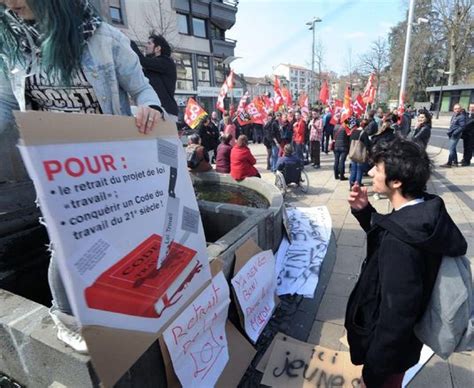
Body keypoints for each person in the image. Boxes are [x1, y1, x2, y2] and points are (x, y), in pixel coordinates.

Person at [0, 0, 165, 353]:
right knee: (63, 242)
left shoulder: (103, 38)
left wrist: (150, 108)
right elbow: (4, 104)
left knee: (117, 237)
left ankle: (113, 303)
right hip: (55, 167)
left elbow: (141, 87)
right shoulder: (9, 47)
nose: (10, 3)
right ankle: (66, 317)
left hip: (108, 164)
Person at [346, 138, 467, 388]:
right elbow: (398, 230)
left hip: (391, 356)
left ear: (397, 181)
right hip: (409, 345)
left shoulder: (400, 244)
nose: (370, 173)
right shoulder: (426, 212)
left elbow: (396, 316)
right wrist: (365, 212)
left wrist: (374, 370)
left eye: (377, 169)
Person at [130, 34, 178, 121]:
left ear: (157, 48)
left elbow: (143, 61)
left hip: (166, 112)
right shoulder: (151, 68)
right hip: (154, 111)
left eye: (149, 43)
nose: (146, 46)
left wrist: (129, 42)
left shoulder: (166, 62)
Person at [349, 119, 371, 187]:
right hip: (360, 153)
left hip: (353, 153)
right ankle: (357, 184)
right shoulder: (363, 133)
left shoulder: (354, 131)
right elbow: (367, 144)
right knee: (359, 170)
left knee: (353, 169)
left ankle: (351, 184)